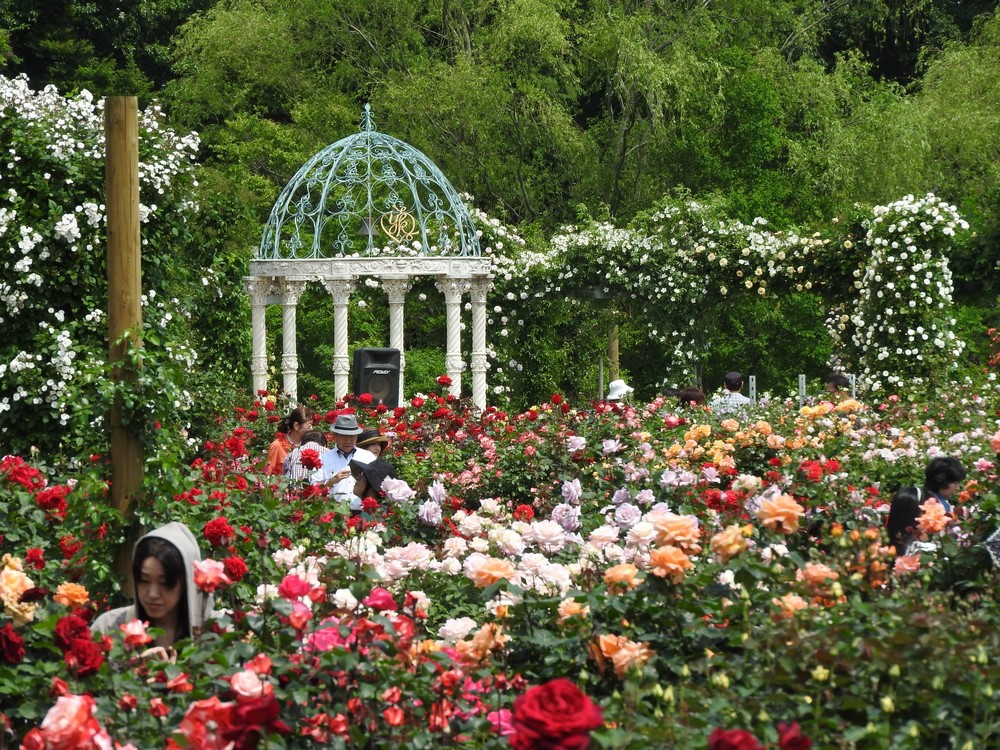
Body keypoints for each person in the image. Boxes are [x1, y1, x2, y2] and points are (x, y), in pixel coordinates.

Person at [92, 522, 213, 651]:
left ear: (187, 582)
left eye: (164, 583)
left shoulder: (217, 633)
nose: (152, 594)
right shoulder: (109, 628)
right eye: (144, 580)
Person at [312, 414, 377, 502]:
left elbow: (378, 485)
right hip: (335, 512)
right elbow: (313, 490)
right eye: (344, 436)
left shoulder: (367, 457)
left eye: (352, 436)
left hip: (363, 512)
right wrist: (332, 481)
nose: (348, 440)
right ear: (335, 435)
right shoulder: (323, 459)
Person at [265, 406, 315, 475]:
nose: (312, 429)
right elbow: (268, 475)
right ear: (296, 426)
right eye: (309, 425)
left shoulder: (309, 446)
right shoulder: (277, 446)